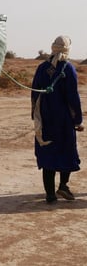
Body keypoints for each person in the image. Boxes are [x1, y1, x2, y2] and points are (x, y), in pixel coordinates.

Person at [31, 35, 84, 204]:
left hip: (45, 119)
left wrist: (35, 115)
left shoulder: (41, 68)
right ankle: (63, 185)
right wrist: (78, 120)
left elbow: (34, 93)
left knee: (48, 153)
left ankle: (50, 195)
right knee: (66, 152)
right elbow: (73, 97)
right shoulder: (68, 69)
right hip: (64, 121)